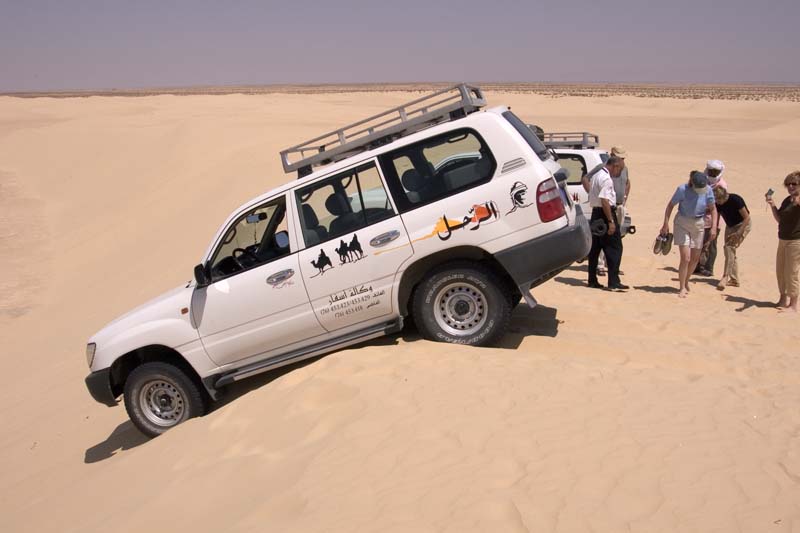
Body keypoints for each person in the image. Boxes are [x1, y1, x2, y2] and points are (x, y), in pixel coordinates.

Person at [661, 171, 717, 298]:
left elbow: (713, 209)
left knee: (695, 259)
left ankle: (686, 280)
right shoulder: (682, 189)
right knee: (685, 257)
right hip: (682, 222)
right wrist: (665, 223)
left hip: (698, 223)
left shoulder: (708, 190)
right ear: (692, 183)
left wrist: (713, 227)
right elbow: (670, 206)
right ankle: (681, 287)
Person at [583, 146, 631, 276]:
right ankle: (600, 265)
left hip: (619, 205)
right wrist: (592, 194)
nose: (622, 160)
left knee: (616, 237)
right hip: (606, 206)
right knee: (604, 238)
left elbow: (627, 183)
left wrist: (625, 197)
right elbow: (585, 178)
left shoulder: (624, 169)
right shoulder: (603, 168)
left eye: (623, 158)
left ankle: (612, 266)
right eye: (620, 158)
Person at [766, 171, 800, 312]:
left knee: (791, 272)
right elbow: (780, 219)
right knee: (781, 270)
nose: (790, 186)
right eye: (788, 184)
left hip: (795, 241)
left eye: (794, 184)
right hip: (783, 238)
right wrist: (772, 205)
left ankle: (793, 305)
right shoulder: (787, 200)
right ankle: (782, 298)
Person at [713, 187, 751, 290]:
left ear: (725, 196)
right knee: (729, 251)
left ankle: (725, 276)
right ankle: (734, 280)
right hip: (730, 226)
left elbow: (747, 218)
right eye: (716, 200)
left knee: (729, 247)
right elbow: (718, 216)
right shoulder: (717, 203)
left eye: (719, 200)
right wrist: (715, 230)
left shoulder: (735, 199)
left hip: (742, 225)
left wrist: (739, 232)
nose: (718, 203)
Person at [695, 159, 728, 276]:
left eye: (715, 171)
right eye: (711, 171)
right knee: (699, 243)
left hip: (715, 219)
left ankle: (709, 268)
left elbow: (720, 203)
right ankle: (698, 265)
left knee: (711, 244)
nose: (713, 173)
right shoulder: (704, 181)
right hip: (701, 217)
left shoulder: (722, 185)